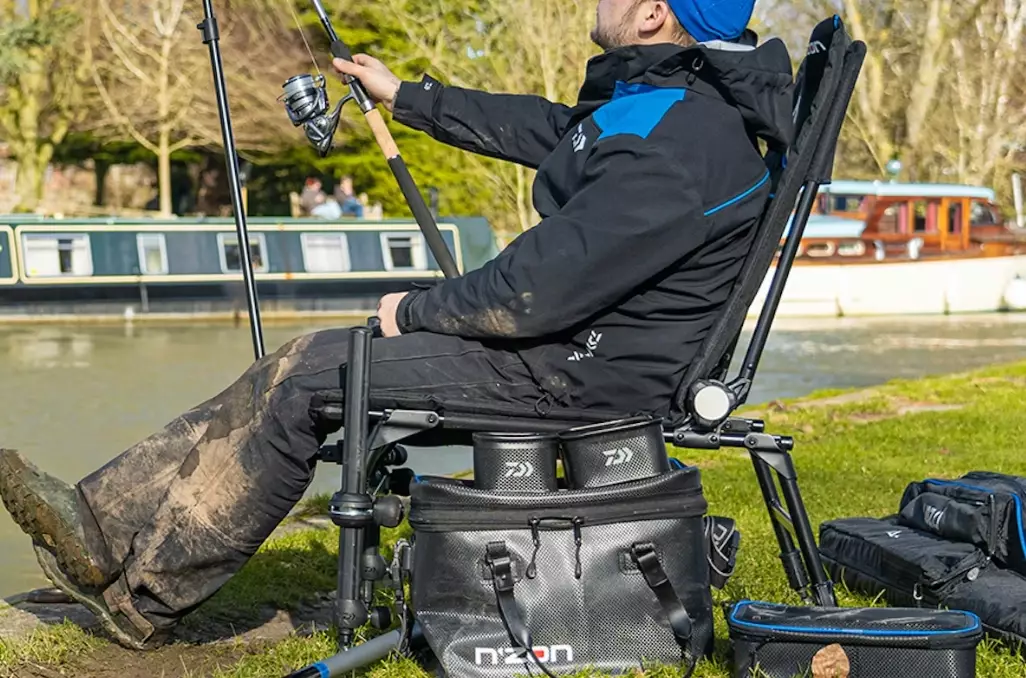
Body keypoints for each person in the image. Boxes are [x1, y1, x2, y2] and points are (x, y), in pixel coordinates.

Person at [0, 0, 793, 651]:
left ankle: (146, 598)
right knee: (307, 363)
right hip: (567, 352)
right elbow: (551, 131)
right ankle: (99, 530)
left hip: (575, 377)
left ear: (653, 13)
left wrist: (410, 311)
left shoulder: (681, 146)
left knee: (315, 378)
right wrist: (405, 97)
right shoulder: (665, 107)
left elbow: (534, 293)